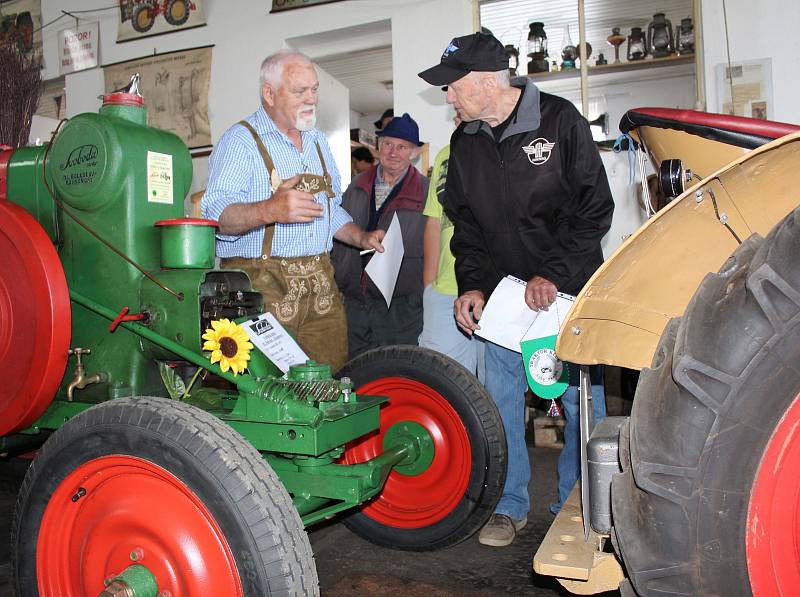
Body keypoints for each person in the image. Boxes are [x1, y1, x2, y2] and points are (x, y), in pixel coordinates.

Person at [419, 32, 614, 547]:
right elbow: (467, 227)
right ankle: (508, 505)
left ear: (487, 81)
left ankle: (580, 504)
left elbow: (595, 210)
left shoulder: (560, 121)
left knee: (577, 402)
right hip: (505, 301)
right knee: (501, 400)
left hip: (566, 294)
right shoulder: (465, 143)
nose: (448, 98)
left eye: (452, 86)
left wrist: (552, 274)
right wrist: (473, 286)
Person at [202, 50, 384, 373]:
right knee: (267, 395)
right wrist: (271, 209)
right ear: (269, 94)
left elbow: (330, 210)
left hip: (321, 289)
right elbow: (216, 218)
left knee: (330, 384)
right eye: (300, 91)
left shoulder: (318, 143)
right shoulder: (239, 142)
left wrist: (360, 236)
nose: (311, 99)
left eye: (314, 89)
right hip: (261, 288)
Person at [332, 113, 428, 358]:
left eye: (402, 146)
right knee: (354, 376)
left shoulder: (426, 194)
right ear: (378, 146)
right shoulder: (355, 187)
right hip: (354, 303)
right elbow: (337, 233)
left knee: (395, 375)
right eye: (387, 144)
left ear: (415, 152)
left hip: (401, 307)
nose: (393, 152)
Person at [418, 116, 485, 383]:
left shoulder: (503, 151)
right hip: (445, 290)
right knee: (441, 384)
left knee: (494, 389)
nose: (456, 111)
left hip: (492, 289)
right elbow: (434, 222)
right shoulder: (447, 153)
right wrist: (428, 287)